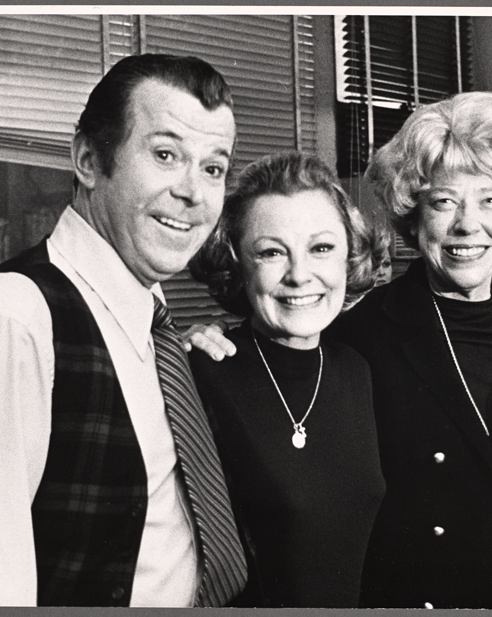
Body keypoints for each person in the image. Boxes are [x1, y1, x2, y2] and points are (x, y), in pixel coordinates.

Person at [189, 92, 492, 609]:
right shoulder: (358, 337)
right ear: (413, 215)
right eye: (444, 201)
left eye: (491, 200)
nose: (467, 224)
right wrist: (209, 339)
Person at [0, 54, 246, 607]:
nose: (193, 192)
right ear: (88, 159)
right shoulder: (13, 318)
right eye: (165, 155)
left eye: (213, 168)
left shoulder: (156, 327)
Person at [187, 151, 386, 608]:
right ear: (237, 263)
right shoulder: (202, 372)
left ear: (350, 257)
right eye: (272, 252)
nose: (300, 275)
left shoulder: (355, 371)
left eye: (321, 248)